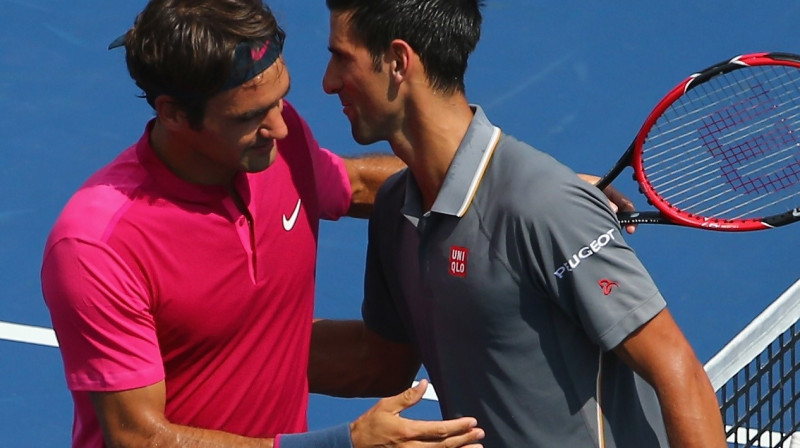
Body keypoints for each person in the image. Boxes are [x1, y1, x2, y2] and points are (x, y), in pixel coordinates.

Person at [40, 0, 487, 447]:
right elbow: (137, 438)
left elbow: (357, 186)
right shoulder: (98, 247)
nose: (281, 127)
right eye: (249, 116)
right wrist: (342, 445)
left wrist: (500, 187)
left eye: (280, 99)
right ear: (173, 113)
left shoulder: (275, 149)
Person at [309, 0, 729, 447]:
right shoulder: (397, 212)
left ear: (397, 62)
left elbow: (678, 371)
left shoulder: (543, 205)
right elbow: (378, 363)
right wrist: (231, 350)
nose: (328, 82)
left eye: (341, 58)